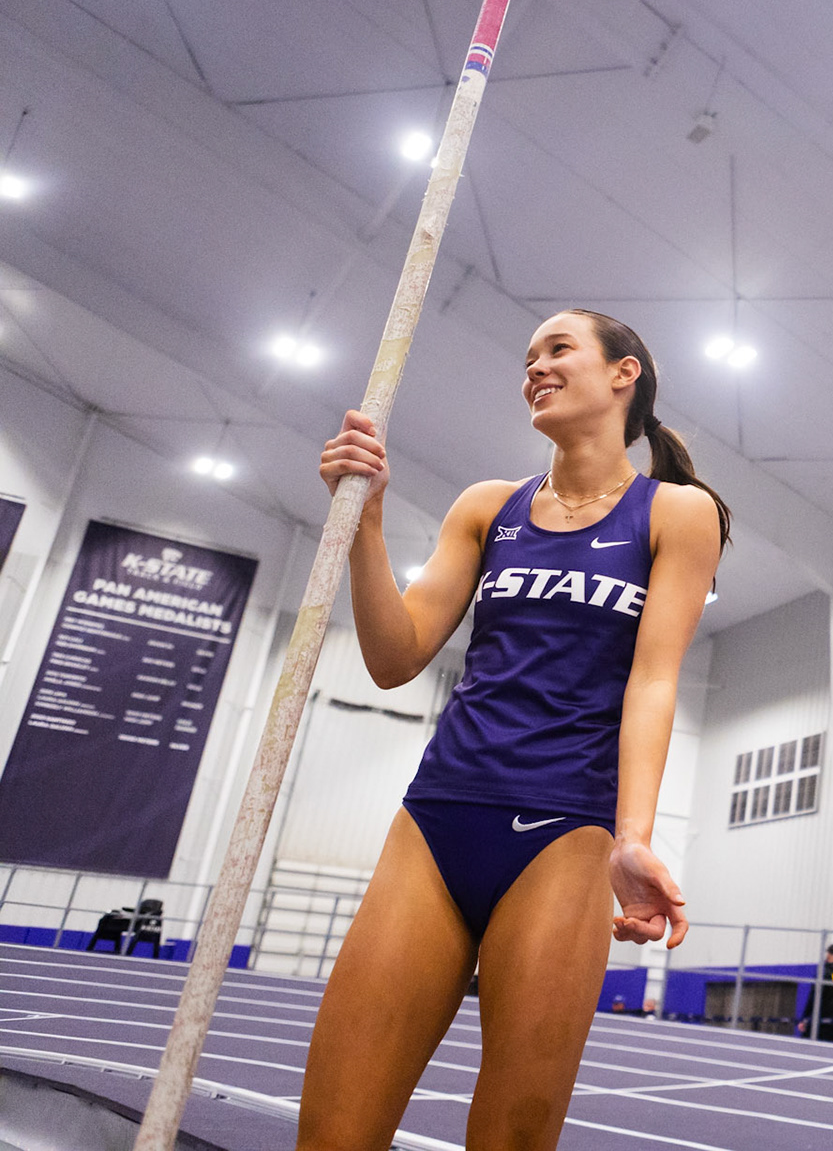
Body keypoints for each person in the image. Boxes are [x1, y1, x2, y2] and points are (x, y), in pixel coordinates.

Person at [300, 309, 726, 1150]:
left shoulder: (677, 513)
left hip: (565, 830)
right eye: (528, 356)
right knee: (332, 1136)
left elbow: (653, 680)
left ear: (625, 374)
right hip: (438, 815)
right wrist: (366, 524)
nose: (534, 367)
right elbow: (394, 658)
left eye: (558, 349)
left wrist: (632, 838)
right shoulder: (487, 507)